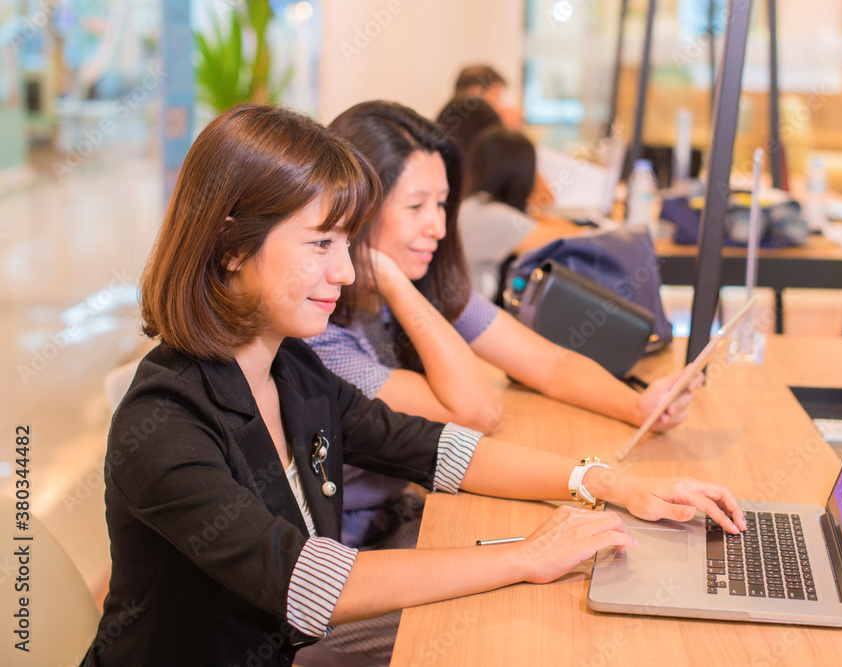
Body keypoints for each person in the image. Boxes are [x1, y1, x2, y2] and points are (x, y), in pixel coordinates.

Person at [82, 103, 744, 667]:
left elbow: (432, 447)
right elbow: (307, 584)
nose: (346, 273)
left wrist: (606, 482)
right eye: (320, 244)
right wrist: (528, 555)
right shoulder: (166, 421)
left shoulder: (291, 368)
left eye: (347, 244)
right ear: (231, 247)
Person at [309, 100, 704, 554]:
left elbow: (550, 366)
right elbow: (476, 413)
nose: (438, 226)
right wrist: (396, 286)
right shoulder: (323, 332)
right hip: (356, 548)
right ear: (356, 209)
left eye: (442, 204)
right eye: (415, 206)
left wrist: (638, 406)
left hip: (409, 510)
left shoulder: (431, 286)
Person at [460, 125, 580, 300]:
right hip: (470, 314)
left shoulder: (474, 205)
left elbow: (548, 198)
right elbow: (572, 237)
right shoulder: (494, 217)